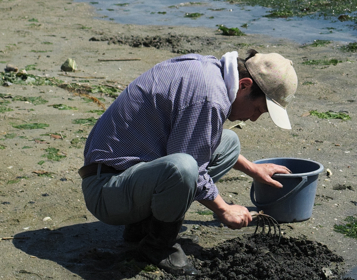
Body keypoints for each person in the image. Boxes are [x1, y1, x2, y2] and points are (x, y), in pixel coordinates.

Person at [80, 50, 298, 276]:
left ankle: (143, 228)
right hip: (106, 189)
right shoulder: (210, 98)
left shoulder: (211, 72)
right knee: (183, 168)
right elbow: (190, 164)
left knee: (230, 143)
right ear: (244, 85)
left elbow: (200, 141)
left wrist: (253, 169)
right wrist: (224, 209)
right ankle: (157, 246)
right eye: (258, 109)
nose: (253, 118)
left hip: (129, 177)